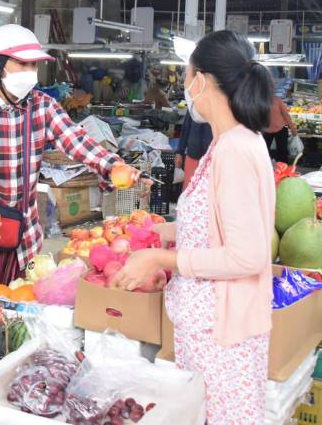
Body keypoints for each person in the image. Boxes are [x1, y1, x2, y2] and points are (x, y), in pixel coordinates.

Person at [111, 31, 275, 424]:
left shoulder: (234, 150)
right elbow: (216, 224)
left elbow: (247, 255)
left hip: (222, 336)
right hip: (211, 330)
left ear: (201, 80)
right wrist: (161, 230)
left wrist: (159, 256)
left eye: (186, 75)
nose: (185, 86)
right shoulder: (228, 143)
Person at [0, 24, 145, 317]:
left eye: (34, 65)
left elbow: (76, 141)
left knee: (14, 319)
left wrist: (113, 165)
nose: (31, 71)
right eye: (23, 63)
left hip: (22, 239)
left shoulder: (43, 107)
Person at [175, 112, 213, 189]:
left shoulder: (222, 104)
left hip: (212, 159)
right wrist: (179, 152)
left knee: (206, 192)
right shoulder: (194, 102)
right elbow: (186, 127)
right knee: (188, 190)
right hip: (192, 155)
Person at [263, 95, 298, 163]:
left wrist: (292, 128)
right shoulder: (259, 100)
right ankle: (264, 167)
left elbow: (286, 115)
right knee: (264, 150)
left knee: (282, 151)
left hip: (281, 128)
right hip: (266, 129)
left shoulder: (277, 100)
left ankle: (283, 169)